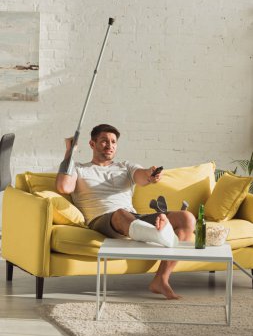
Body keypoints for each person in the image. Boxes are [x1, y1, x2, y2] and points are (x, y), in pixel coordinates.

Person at [56, 124, 196, 300]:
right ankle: (162, 235)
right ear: (92, 144)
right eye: (104, 141)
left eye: (113, 142)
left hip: (132, 218)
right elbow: (63, 186)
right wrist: (69, 152)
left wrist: (151, 175)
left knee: (187, 218)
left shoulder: (125, 167)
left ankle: (161, 279)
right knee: (120, 213)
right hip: (102, 220)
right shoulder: (79, 169)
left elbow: (143, 176)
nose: (110, 145)